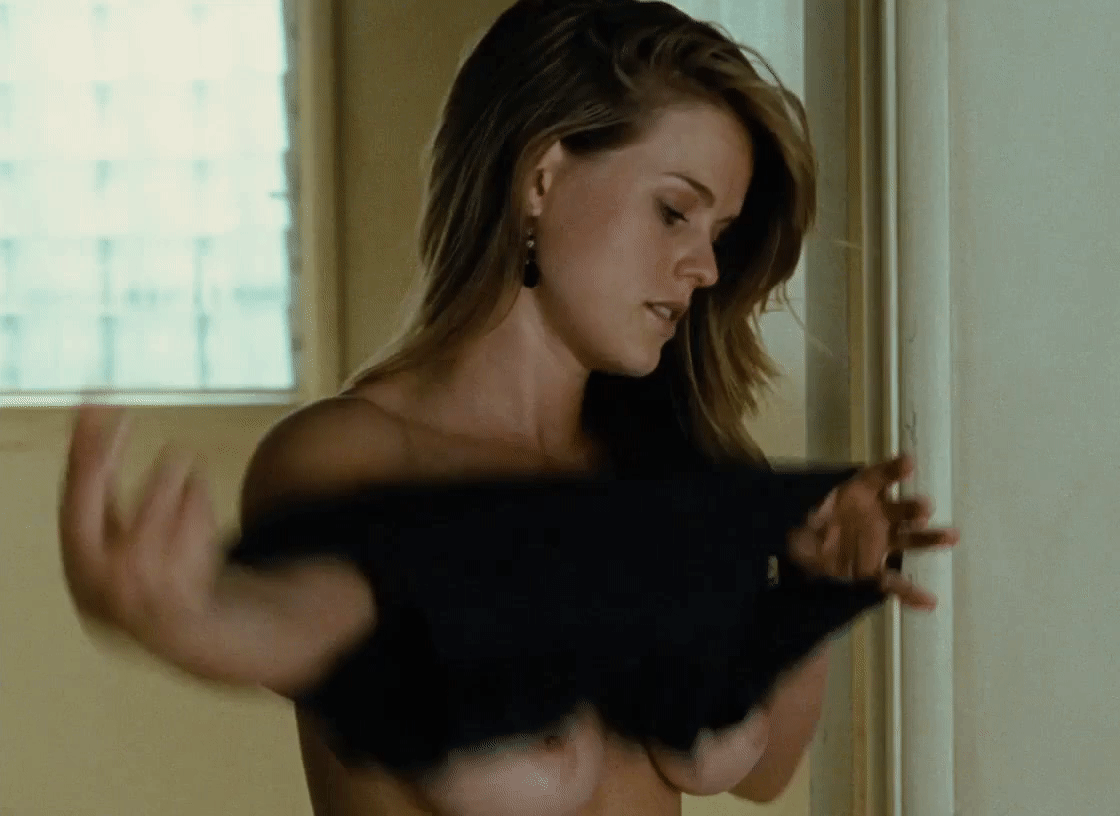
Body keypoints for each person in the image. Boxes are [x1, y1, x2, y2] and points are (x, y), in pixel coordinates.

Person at [57, 1, 959, 815]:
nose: (706, 267)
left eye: (719, 233)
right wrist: (198, 621)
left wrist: (814, 590)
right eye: (674, 212)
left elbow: (763, 773)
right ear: (542, 177)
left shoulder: (673, 467)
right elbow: (351, 611)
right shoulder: (346, 455)